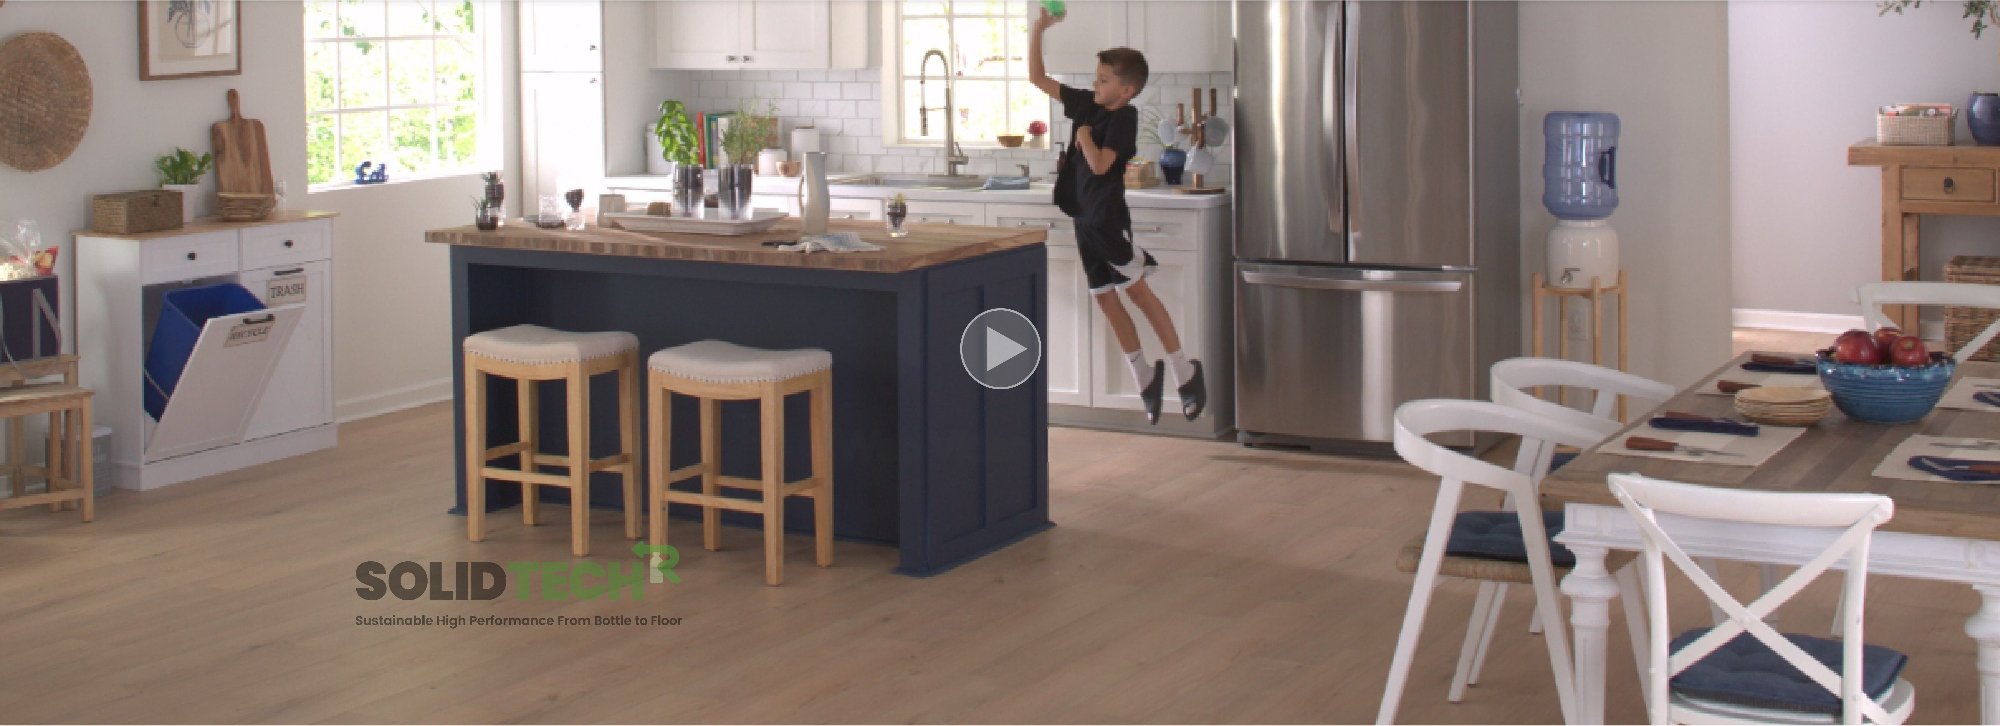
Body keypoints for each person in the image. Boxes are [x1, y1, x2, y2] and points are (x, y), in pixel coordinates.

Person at [1028, 8, 1204, 424]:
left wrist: (1084, 137)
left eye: (1103, 80)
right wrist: (1038, 29)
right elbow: (1037, 78)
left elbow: (1104, 165)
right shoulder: (1086, 104)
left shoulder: (1123, 117)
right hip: (1084, 221)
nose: (1095, 84)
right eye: (1096, 77)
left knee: (1138, 293)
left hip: (1108, 222)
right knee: (1106, 299)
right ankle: (1144, 375)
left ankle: (1185, 371)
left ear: (1125, 90)